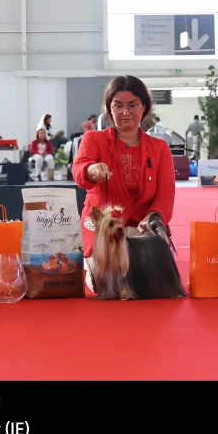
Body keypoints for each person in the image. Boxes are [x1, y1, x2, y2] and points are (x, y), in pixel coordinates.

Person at [73, 75, 176, 291]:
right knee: (104, 285)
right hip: (106, 231)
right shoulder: (94, 139)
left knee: (154, 283)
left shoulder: (160, 148)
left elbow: (165, 195)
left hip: (142, 229)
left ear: (144, 106)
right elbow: (80, 168)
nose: (125, 112)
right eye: (117, 106)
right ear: (109, 108)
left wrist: (153, 216)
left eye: (132, 105)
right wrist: (92, 170)